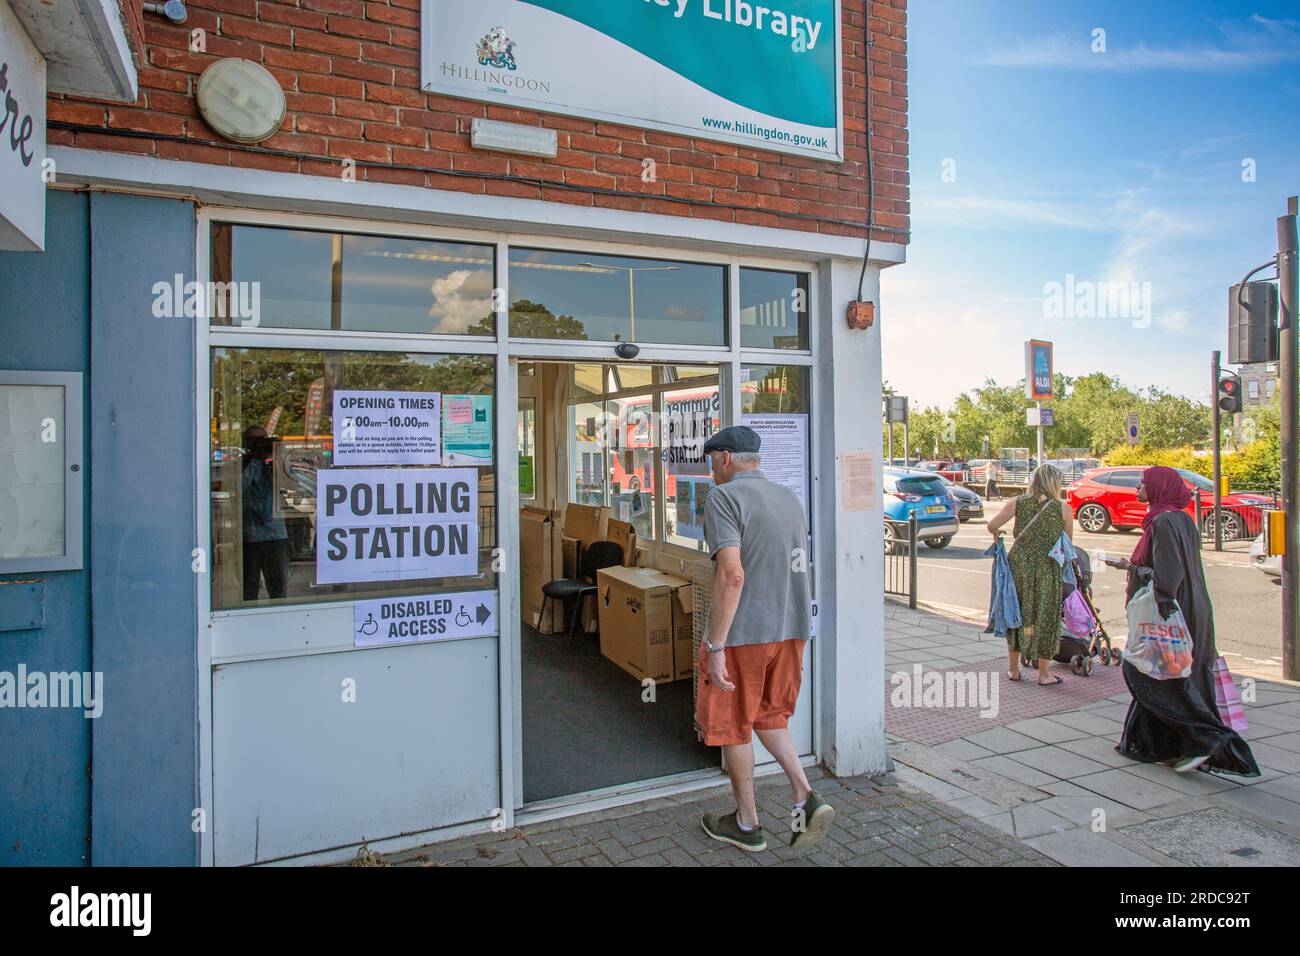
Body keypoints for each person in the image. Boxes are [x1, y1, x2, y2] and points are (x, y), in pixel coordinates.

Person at [694, 425, 831, 852]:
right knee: (770, 717)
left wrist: (716, 647)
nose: (711, 470)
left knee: (734, 726)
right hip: (790, 630)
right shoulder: (788, 496)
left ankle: (747, 824)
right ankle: (804, 797)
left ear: (725, 458)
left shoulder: (724, 497)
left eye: (711, 460)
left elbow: (732, 575)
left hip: (745, 634)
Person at [1105, 467, 1259, 775]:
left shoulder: (1161, 522)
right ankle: (1161, 746)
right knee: (1176, 677)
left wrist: (1134, 570)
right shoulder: (1182, 519)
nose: (1138, 487)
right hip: (1194, 609)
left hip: (1170, 612)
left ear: (1159, 488)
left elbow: (1167, 578)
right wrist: (1132, 566)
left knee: (1143, 673)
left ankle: (1207, 739)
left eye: (1144, 483)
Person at [986, 463, 1072, 685]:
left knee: (1017, 612)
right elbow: (1068, 544)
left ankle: (1014, 670)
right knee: (1045, 615)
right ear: (1055, 483)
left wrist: (998, 537)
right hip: (1048, 566)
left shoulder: (1017, 503)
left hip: (1019, 565)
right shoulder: (1063, 509)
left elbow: (992, 524)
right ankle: (1044, 674)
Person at [241, 425, 289, 601]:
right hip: (249, 537)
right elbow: (238, 490)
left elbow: (290, 482)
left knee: (278, 588)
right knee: (248, 589)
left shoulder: (273, 465)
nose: (259, 445)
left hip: (274, 536)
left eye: (262, 440)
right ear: (246, 444)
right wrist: (254, 461)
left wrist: (278, 456)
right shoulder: (240, 466)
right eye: (255, 441)